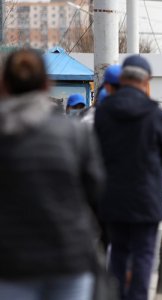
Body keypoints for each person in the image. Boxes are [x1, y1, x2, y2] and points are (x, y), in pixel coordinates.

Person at [0, 49, 105, 299]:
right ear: (46, 85)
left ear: (4, 84)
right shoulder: (74, 134)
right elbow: (98, 195)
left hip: (11, 264)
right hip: (69, 259)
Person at [94, 55, 162, 300]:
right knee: (143, 255)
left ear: (123, 79)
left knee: (117, 252)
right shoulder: (154, 113)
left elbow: (94, 152)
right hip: (146, 198)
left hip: (112, 197)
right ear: (146, 81)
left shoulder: (103, 111)